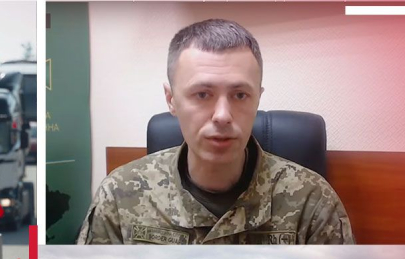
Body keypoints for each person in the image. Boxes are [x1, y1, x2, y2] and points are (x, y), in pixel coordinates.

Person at [78, 19, 354, 245]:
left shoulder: (312, 200)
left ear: (258, 98)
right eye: (202, 94)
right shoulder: (119, 193)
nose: (222, 115)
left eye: (240, 95)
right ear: (171, 100)